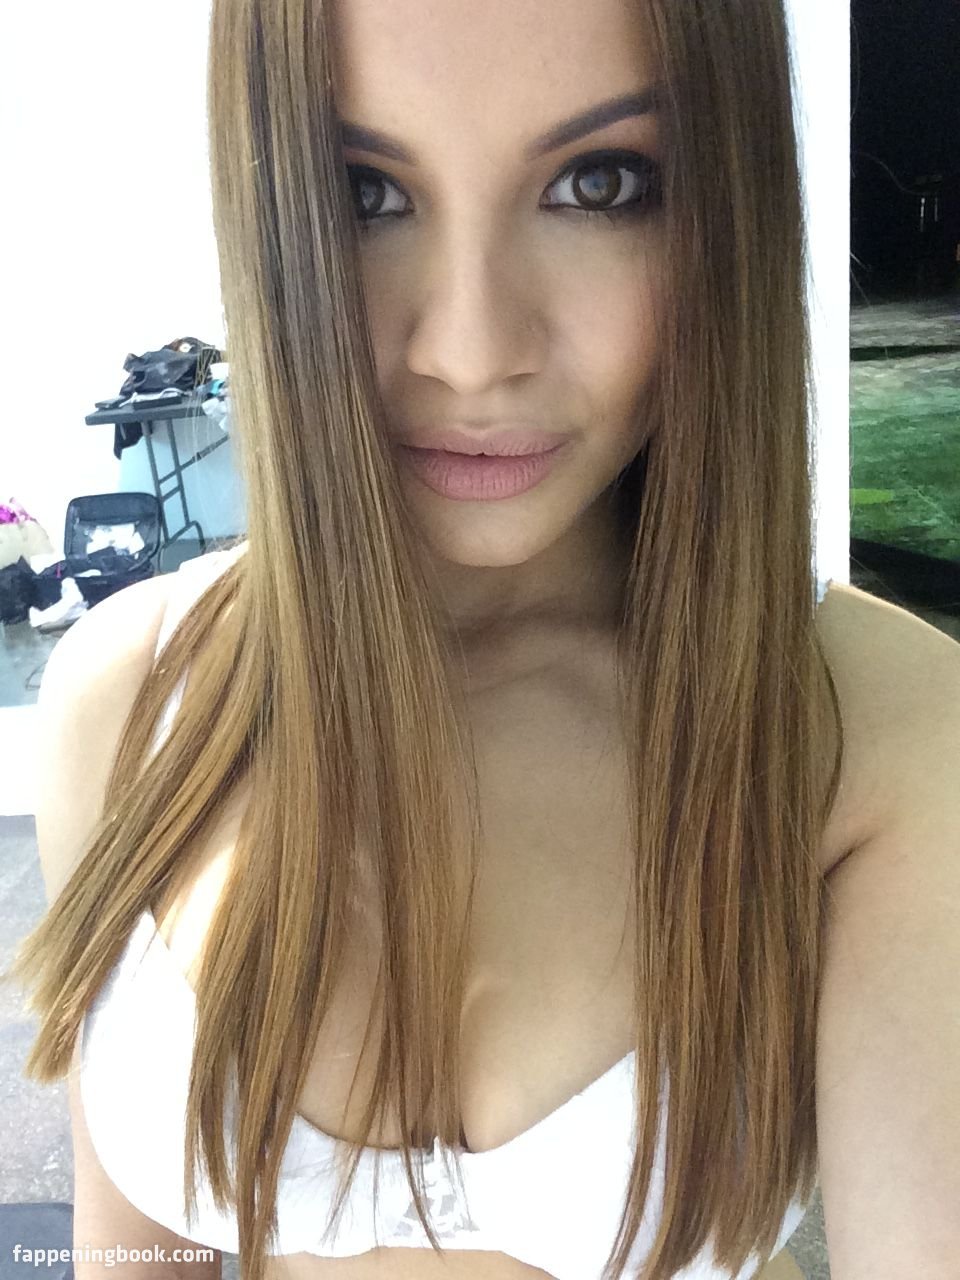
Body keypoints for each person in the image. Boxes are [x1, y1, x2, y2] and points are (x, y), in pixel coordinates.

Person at [7, 0, 960, 1278]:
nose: (470, 352)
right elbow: (141, 1259)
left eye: (600, 182)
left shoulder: (880, 734)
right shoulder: (130, 696)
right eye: (366, 191)